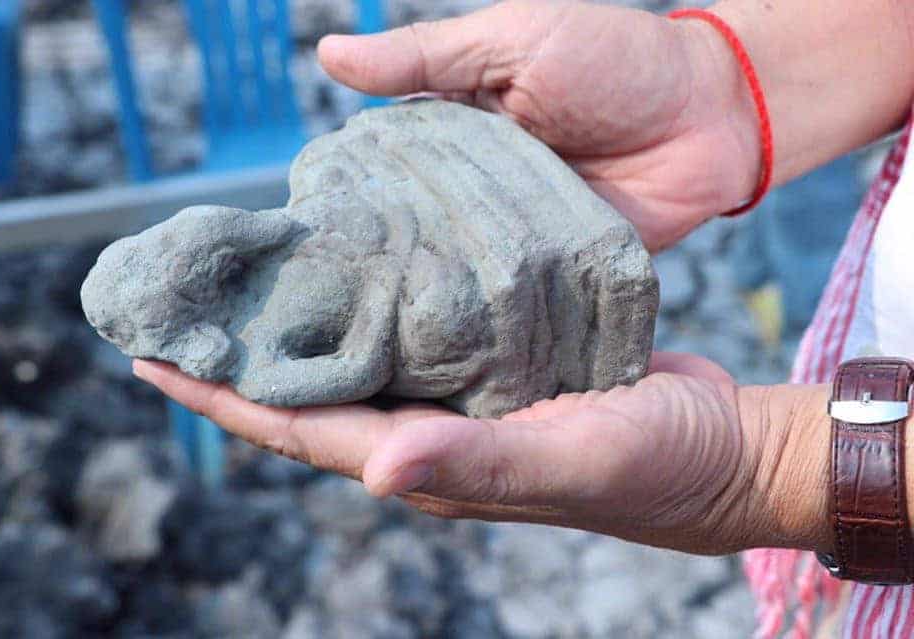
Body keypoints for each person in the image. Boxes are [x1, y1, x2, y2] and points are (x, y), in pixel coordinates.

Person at [131, 1, 914, 636]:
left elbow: (349, 358)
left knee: (446, 314)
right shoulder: (278, 299)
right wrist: (728, 83)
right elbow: (345, 357)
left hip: (455, 247)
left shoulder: (289, 280)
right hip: (440, 231)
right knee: (437, 306)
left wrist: (774, 467)